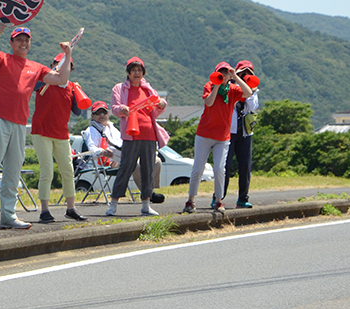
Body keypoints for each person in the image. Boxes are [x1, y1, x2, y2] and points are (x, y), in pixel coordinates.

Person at [0, 21, 73, 230]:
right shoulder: (4, 58)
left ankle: (8, 215)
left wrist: (68, 54)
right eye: (19, 40)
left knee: (13, 171)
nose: (23, 43)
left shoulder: (36, 67)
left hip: (19, 123)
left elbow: (61, 78)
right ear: (12, 42)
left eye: (26, 40)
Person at [183, 61, 253, 214]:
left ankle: (219, 201)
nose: (223, 75)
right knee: (198, 169)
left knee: (220, 169)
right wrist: (217, 85)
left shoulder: (233, 89)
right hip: (204, 135)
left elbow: (248, 93)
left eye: (225, 72)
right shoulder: (209, 86)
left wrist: (235, 76)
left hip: (222, 137)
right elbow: (209, 102)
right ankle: (190, 200)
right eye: (220, 72)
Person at [107, 57, 168, 217]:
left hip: (149, 134)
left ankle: (146, 204)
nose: (136, 73)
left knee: (149, 169)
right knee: (126, 167)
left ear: (143, 73)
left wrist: (162, 104)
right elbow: (114, 108)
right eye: (133, 70)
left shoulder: (148, 89)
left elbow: (156, 108)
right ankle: (113, 203)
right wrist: (122, 109)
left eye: (139, 70)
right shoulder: (120, 88)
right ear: (128, 72)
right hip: (131, 135)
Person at [31, 53, 87, 223]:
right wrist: (51, 74)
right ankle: (44, 210)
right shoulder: (45, 83)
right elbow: (33, 86)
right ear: (54, 64)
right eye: (59, 63)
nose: (63, 67)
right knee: (47, 171)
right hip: (41, 131)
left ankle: (71, 208)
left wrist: (77, 91)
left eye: (66, 65)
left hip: (61, 133)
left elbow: (79, 111)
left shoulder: (71, 87)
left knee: (68, 171)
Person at [82, 101, 163, 197]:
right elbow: (92, 149)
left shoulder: (111, 127)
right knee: (135, 165)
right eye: (98, 113)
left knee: (156, 161)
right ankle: (148, 194)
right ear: (92, 115)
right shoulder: (91, 130)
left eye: (104, 112)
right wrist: (102, 151)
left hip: (125, 155)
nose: (102, 115)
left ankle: (152, 189)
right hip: (110, 162)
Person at [221, 60, 260, 208]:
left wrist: (250, 89)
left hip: (245, 132)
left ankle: (243, 198)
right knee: (226, 166)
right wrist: (235, 80)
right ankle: (218, 197)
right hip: (229, 131)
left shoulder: (253, 90)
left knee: (245, 166)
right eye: (243, 73)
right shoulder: (229, 87)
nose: (245, 76)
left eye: (249, 74)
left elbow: (252, 106)